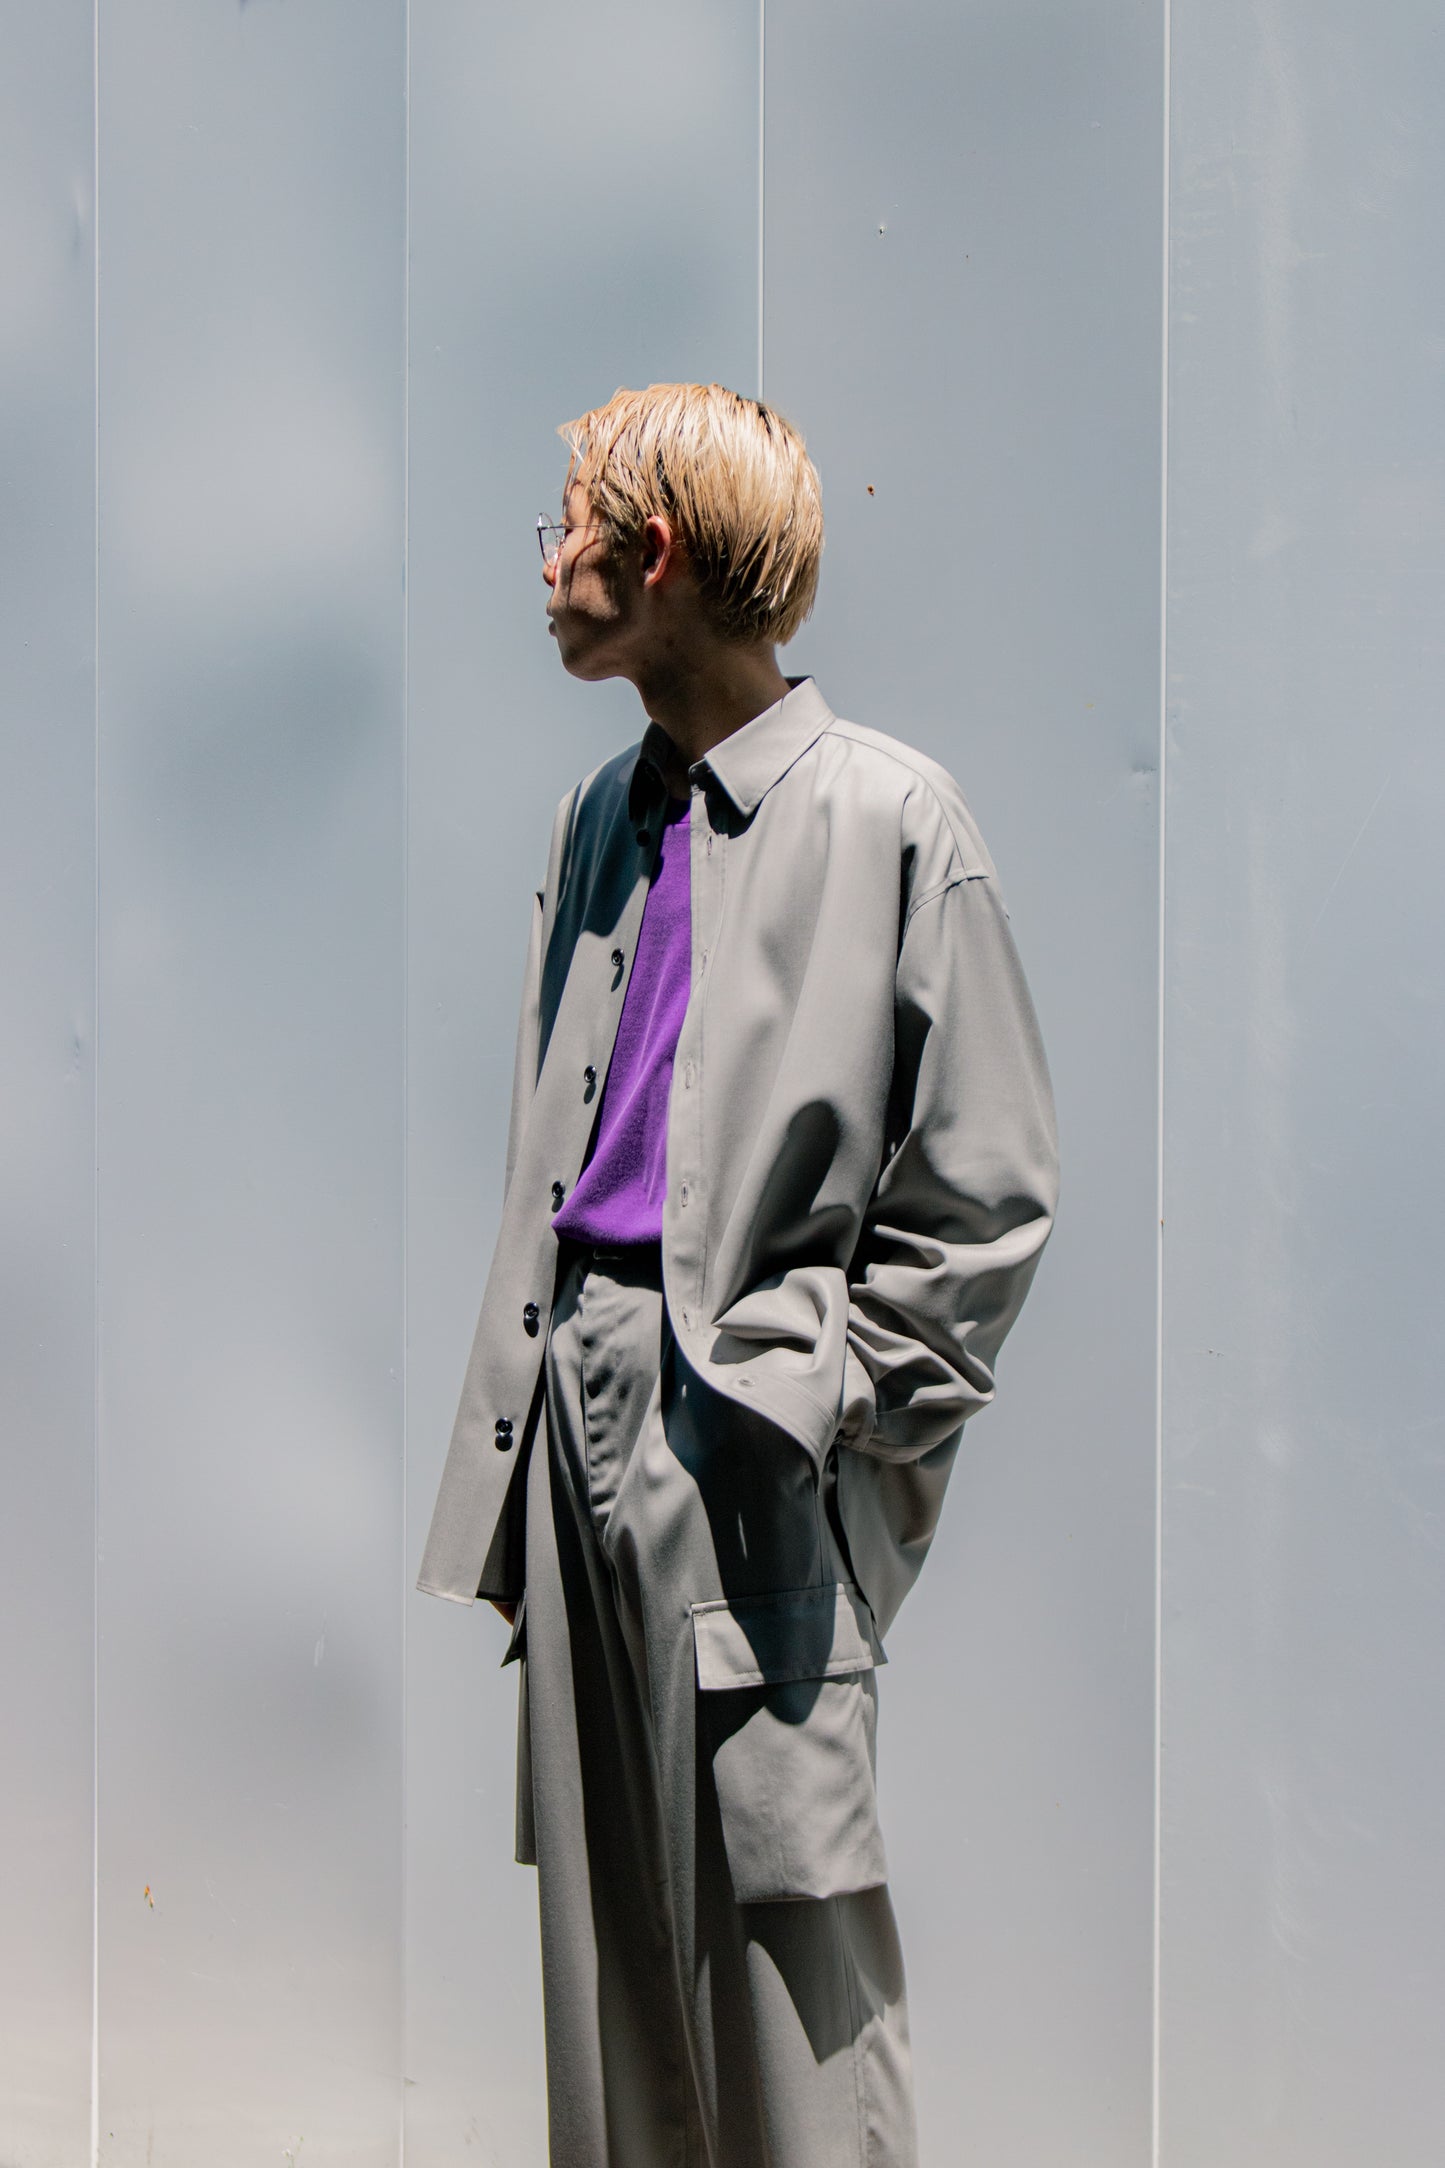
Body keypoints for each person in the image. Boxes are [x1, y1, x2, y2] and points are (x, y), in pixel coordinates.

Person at [416, 381, 1059, 2167]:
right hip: (577, 1407)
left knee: (788, 1953)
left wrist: (819, 1398)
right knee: (611, 1973)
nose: (546, 562)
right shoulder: (599, 817)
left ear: (659, 554)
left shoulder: (892, 817)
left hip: (746, 1426)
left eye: (568, 527)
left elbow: (988, 1193)